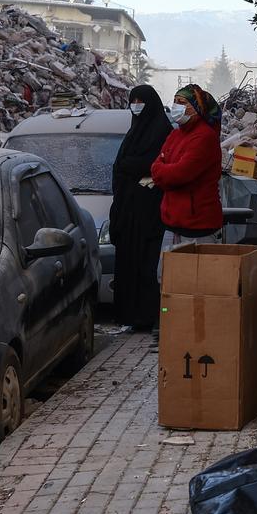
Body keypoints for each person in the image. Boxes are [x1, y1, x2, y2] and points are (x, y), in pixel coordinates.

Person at [109, 85, 171, 332]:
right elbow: (122, 167)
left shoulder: (162, 131)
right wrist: (132, 168)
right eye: (132, 100)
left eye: (140, 100)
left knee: (147, 266)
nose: (136, 105)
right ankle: (131, 317)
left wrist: (131, 166)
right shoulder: (133, 132)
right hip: (127, 210)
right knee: (128, 264)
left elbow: (155, 164)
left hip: (149, 212)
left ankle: (149, 316)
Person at [151, 84, 223, 248]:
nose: (176, 106)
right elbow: (155, 166)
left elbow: (180, 173)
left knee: (197, 273)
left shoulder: (205, 136)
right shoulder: (176, 134)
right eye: (175, 101)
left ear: (196, 107)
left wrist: (163, 171)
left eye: (182, 102)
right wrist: (163, 170)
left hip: (198, 226)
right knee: (169, 273)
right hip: (172, 222)